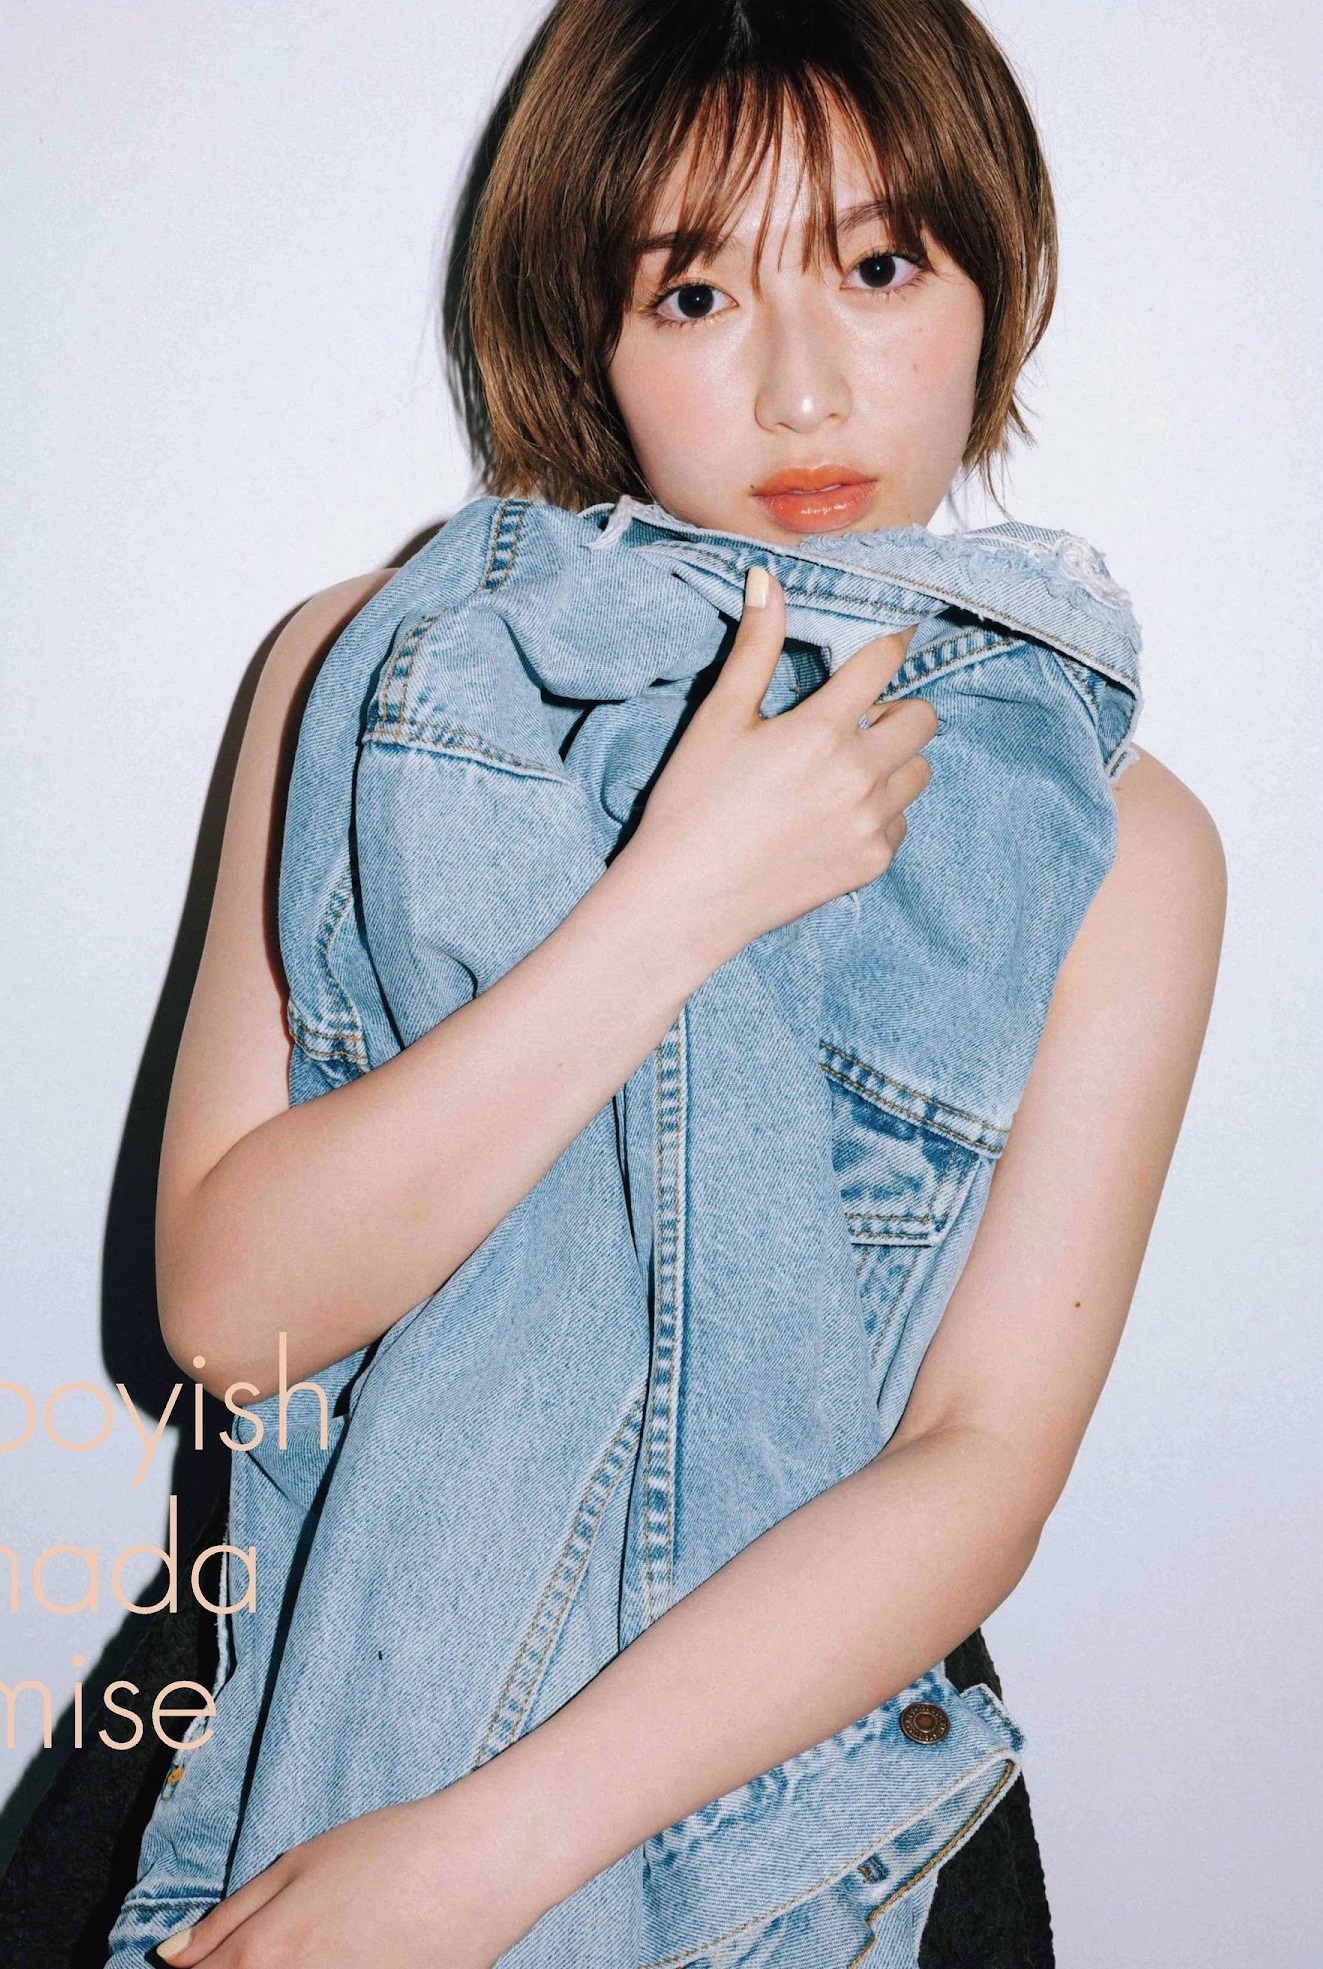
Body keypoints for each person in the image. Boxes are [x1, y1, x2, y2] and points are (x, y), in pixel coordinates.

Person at [94, 1, 1224, 1964]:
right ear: (588, 339)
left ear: (991, 283)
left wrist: (480, 1856)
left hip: (786, 1807)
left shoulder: (1112, 842)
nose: (802, 386)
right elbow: (230, 1312)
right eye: (694, 294)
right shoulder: (374, 670)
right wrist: (675, 904)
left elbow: (975, 1468)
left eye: (878, 266)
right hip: (298, 1703)